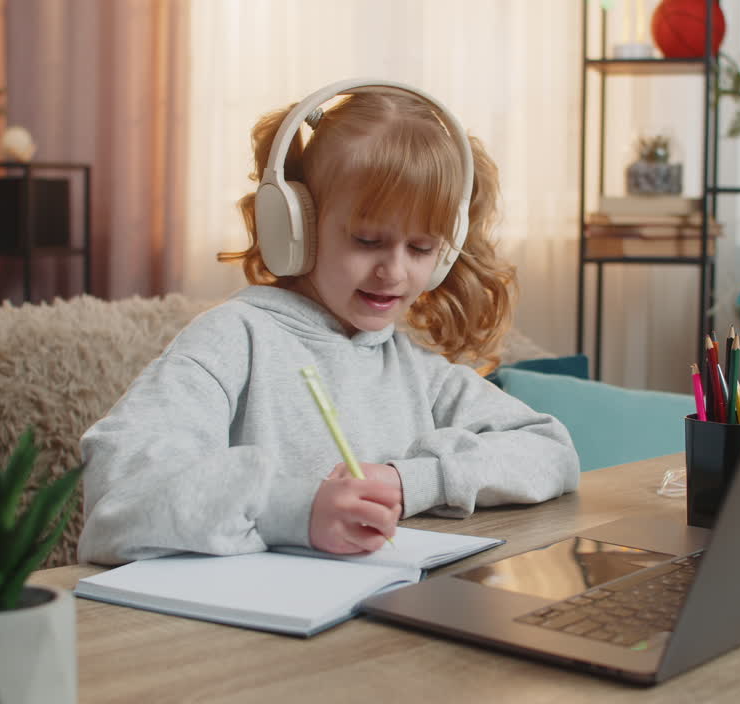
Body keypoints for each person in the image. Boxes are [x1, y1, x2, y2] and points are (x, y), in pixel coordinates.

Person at [77, 80, 579, 565]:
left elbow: (552, 452)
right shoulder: (232, 341)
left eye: (422, 248)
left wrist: (410, 482)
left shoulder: (416, 369)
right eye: (367, 241)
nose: (395, 271)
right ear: (296, 225)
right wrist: (292, 511)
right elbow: (118, 497)